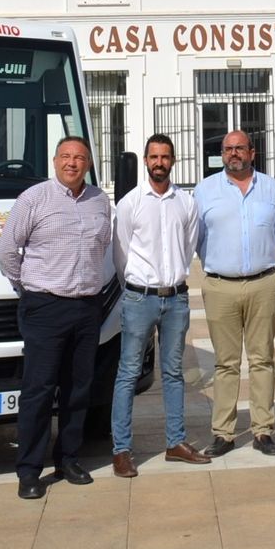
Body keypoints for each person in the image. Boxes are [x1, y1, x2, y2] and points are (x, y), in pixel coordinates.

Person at [0, 135, 114, 499]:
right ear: (55, 160)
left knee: (78, 389)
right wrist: (27, 288)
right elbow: (6, 251)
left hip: (86, 307)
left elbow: (104, 246)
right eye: (66, 156)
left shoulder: (99, 201)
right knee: (39, 390)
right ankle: (29, 471)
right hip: (44, 306)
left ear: (89, 164)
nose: (72, 163)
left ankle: (69, 459)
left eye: (80, 158)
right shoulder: (34, 199)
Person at [109, 134, 212, 478]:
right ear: (145, 160)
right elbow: (120, 252)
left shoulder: (186, 202)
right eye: (153, 156)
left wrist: (172, 283)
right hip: (139, 297)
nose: (159, 162)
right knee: (127, 373)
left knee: (172, 373)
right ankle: (122, 449)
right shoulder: (130, 203)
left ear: (173, 160)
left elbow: (188, 246)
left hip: (176, 298)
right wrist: (136, 287)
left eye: (165, 157)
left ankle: (176, 442)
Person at [193, 129, 275, 457]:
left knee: (262, 359)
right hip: (220, 285)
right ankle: (224, 433)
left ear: (252, 152)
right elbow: (198, 237)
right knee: (226, 363)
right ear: (223, 154)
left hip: (263, 282)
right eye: (228, 149)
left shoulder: (271, 188)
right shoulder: (205, 191)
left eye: (240, 148)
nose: (234, 153)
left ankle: (263, 431)